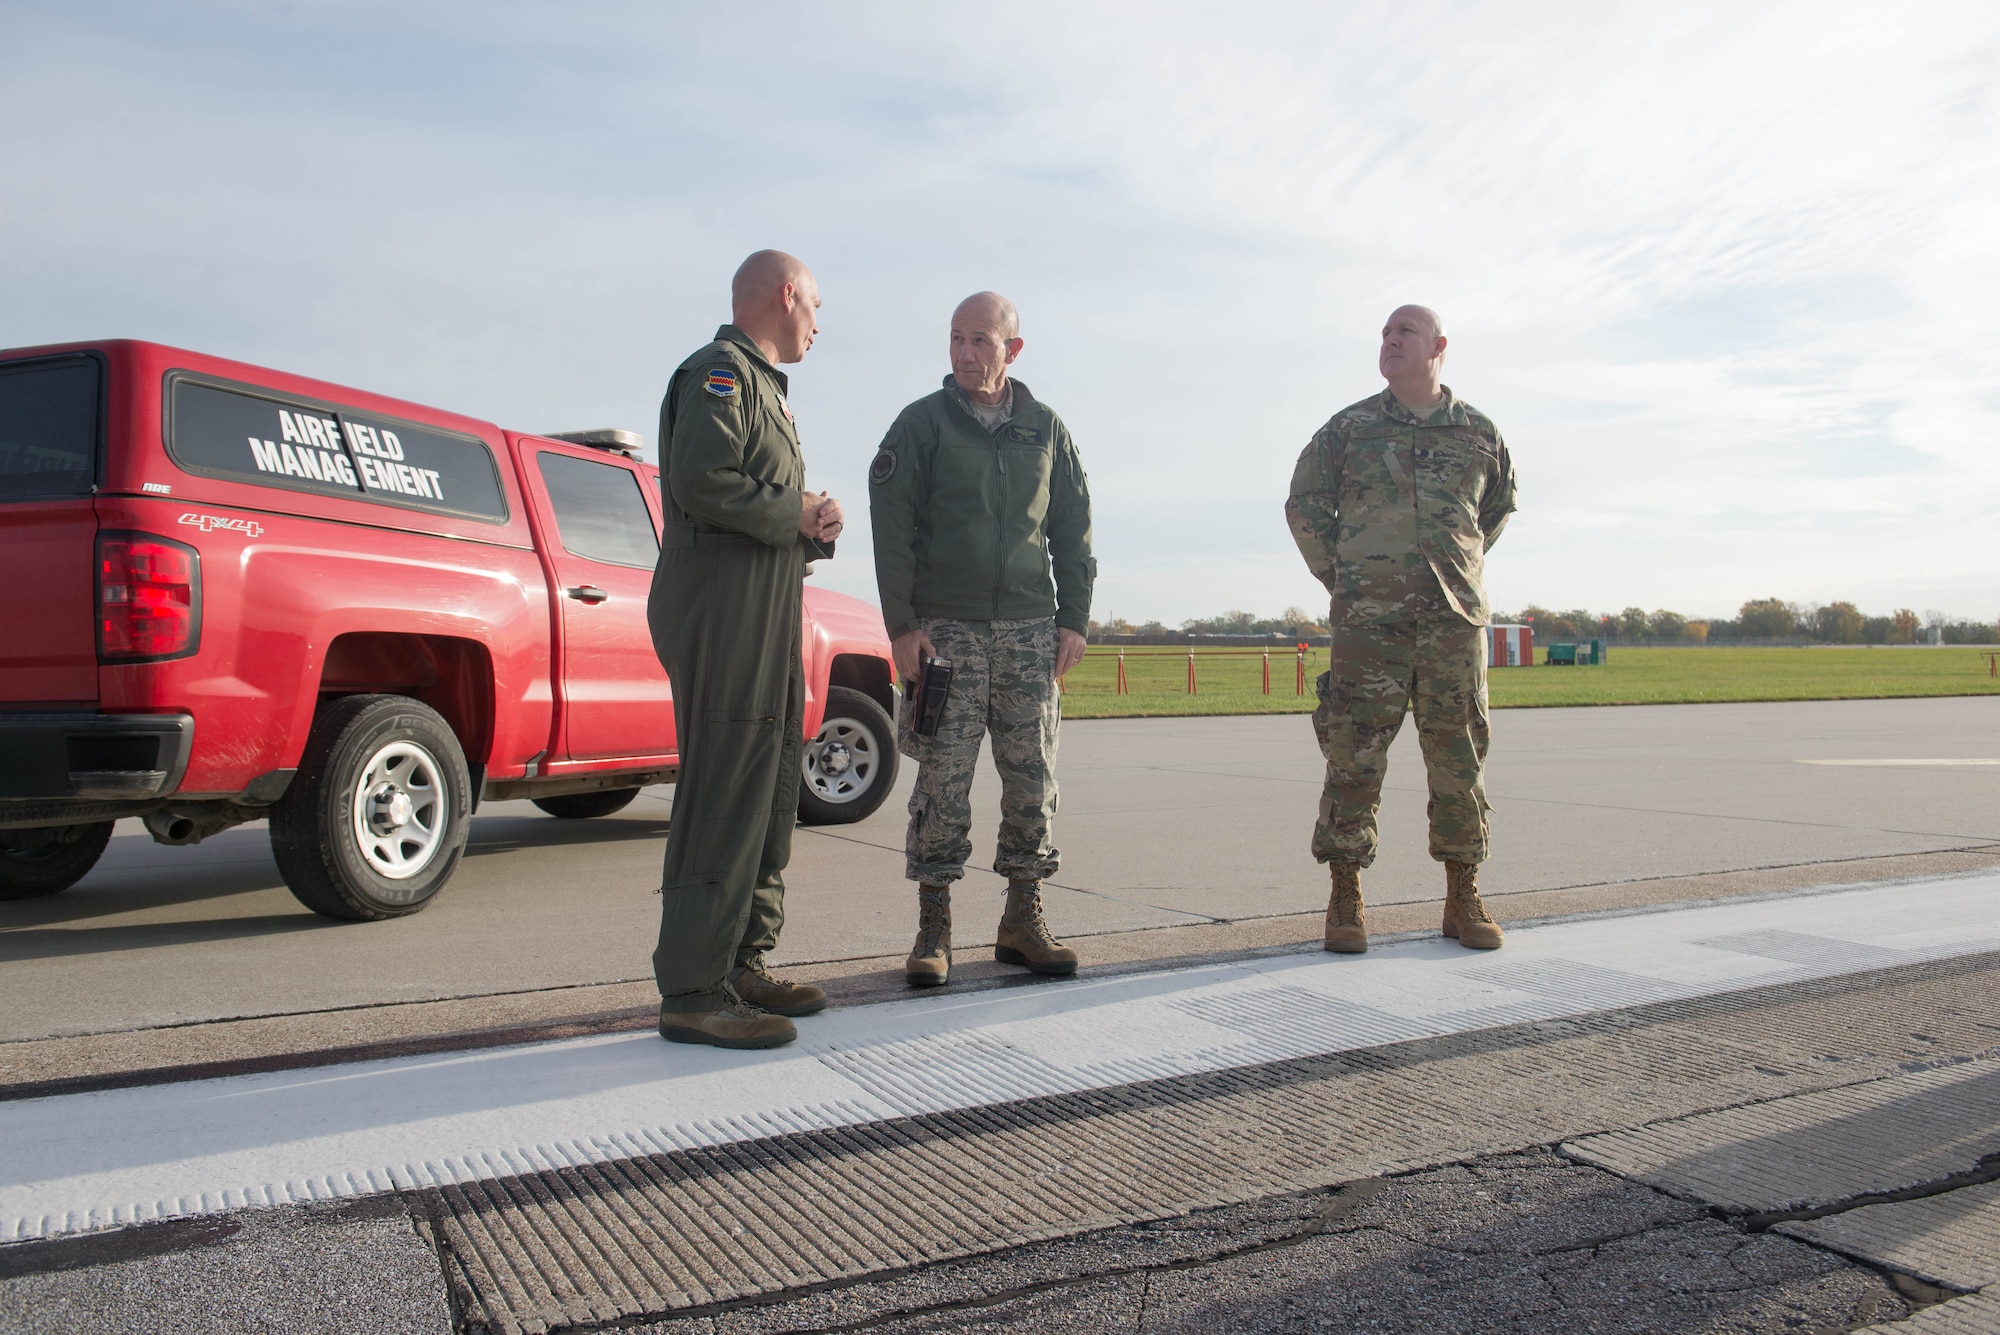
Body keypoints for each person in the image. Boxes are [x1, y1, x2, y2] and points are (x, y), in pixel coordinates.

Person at [868, 291, 1094, 987]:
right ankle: (934, 928)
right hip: (947, 634)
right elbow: (892, 532)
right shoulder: (920, 426)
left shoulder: (1045, 428)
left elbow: (1073, 527)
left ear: (1012, 350)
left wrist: (1074, 618)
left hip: (1030, 630)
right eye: (956, 339)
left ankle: (1023, 919)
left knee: (1034, 780)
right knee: (942, 783)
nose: (966, 353)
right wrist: (903, 627)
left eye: (981, 341)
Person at [648, 250, 844, 1049]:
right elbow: (704, 481)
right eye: (817, 306)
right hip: (722, 613)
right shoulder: (718, 375)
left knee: (767, 786)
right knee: (725, 787)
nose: (819, 324)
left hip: (764, 609)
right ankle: (695, 987)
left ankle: (741, 961)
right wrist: (792, 509)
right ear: (786, 293)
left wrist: (811, 525)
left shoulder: (763, 390)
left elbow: (754, 500)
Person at [1285, 305, 1517, 955]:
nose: (1389, 342)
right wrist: (1347, 578)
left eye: (1403, 333)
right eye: (1385, 334)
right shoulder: (1348, 430)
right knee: (1353, 758)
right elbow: (1303, 505)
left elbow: (1494, 511)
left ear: (1438, 346)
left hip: (1453, 626)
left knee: (1459, 761)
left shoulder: (1478, 434)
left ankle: (1462, 893)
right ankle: (1346, 894)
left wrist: (1456, 568)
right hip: (1370, 628)